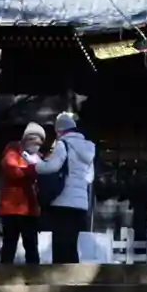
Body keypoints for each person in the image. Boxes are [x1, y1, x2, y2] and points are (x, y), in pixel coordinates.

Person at [36, 110, 98, 264]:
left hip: (63, 200)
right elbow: (90, 177)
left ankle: (59, 275)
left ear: (60, 130)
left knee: (60, 243)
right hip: (80, 203)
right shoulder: (88, 149)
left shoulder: (63, 144)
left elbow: (52, 167)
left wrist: (35, 163)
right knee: (72, 243)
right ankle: (73, 275)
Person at [0, 122, 45, 264]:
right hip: (12, 207)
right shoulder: (12, 152)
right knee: (10, 243)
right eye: (33, 141)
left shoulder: (39, 158)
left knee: (31, 245)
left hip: (30, 208)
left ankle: (34, 273)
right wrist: (33, 169)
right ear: (25, 140)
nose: (36, 145)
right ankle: (4, 273)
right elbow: (13, 171)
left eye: (39, 143)